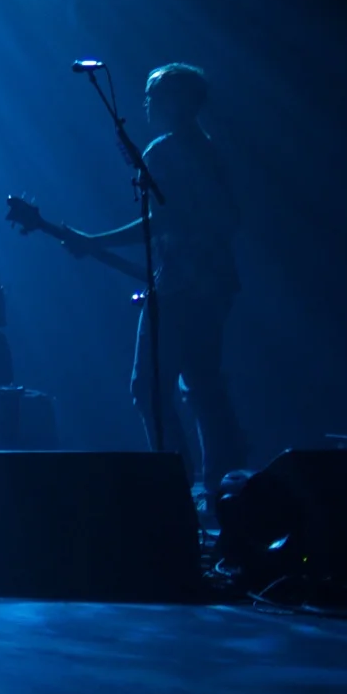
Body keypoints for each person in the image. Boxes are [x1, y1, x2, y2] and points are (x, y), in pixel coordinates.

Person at [65, 62, 246, 499]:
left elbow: (159, 221)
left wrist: (94, 241)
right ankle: (224, 489)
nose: (146, 102)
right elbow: (227, 217)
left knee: (148, 386)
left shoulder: (163, 151)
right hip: (216, 283)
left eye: (154, 94)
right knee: (203, 385)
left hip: (180, 285)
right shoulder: (212, 150)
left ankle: (174, 487)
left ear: (177, 100)